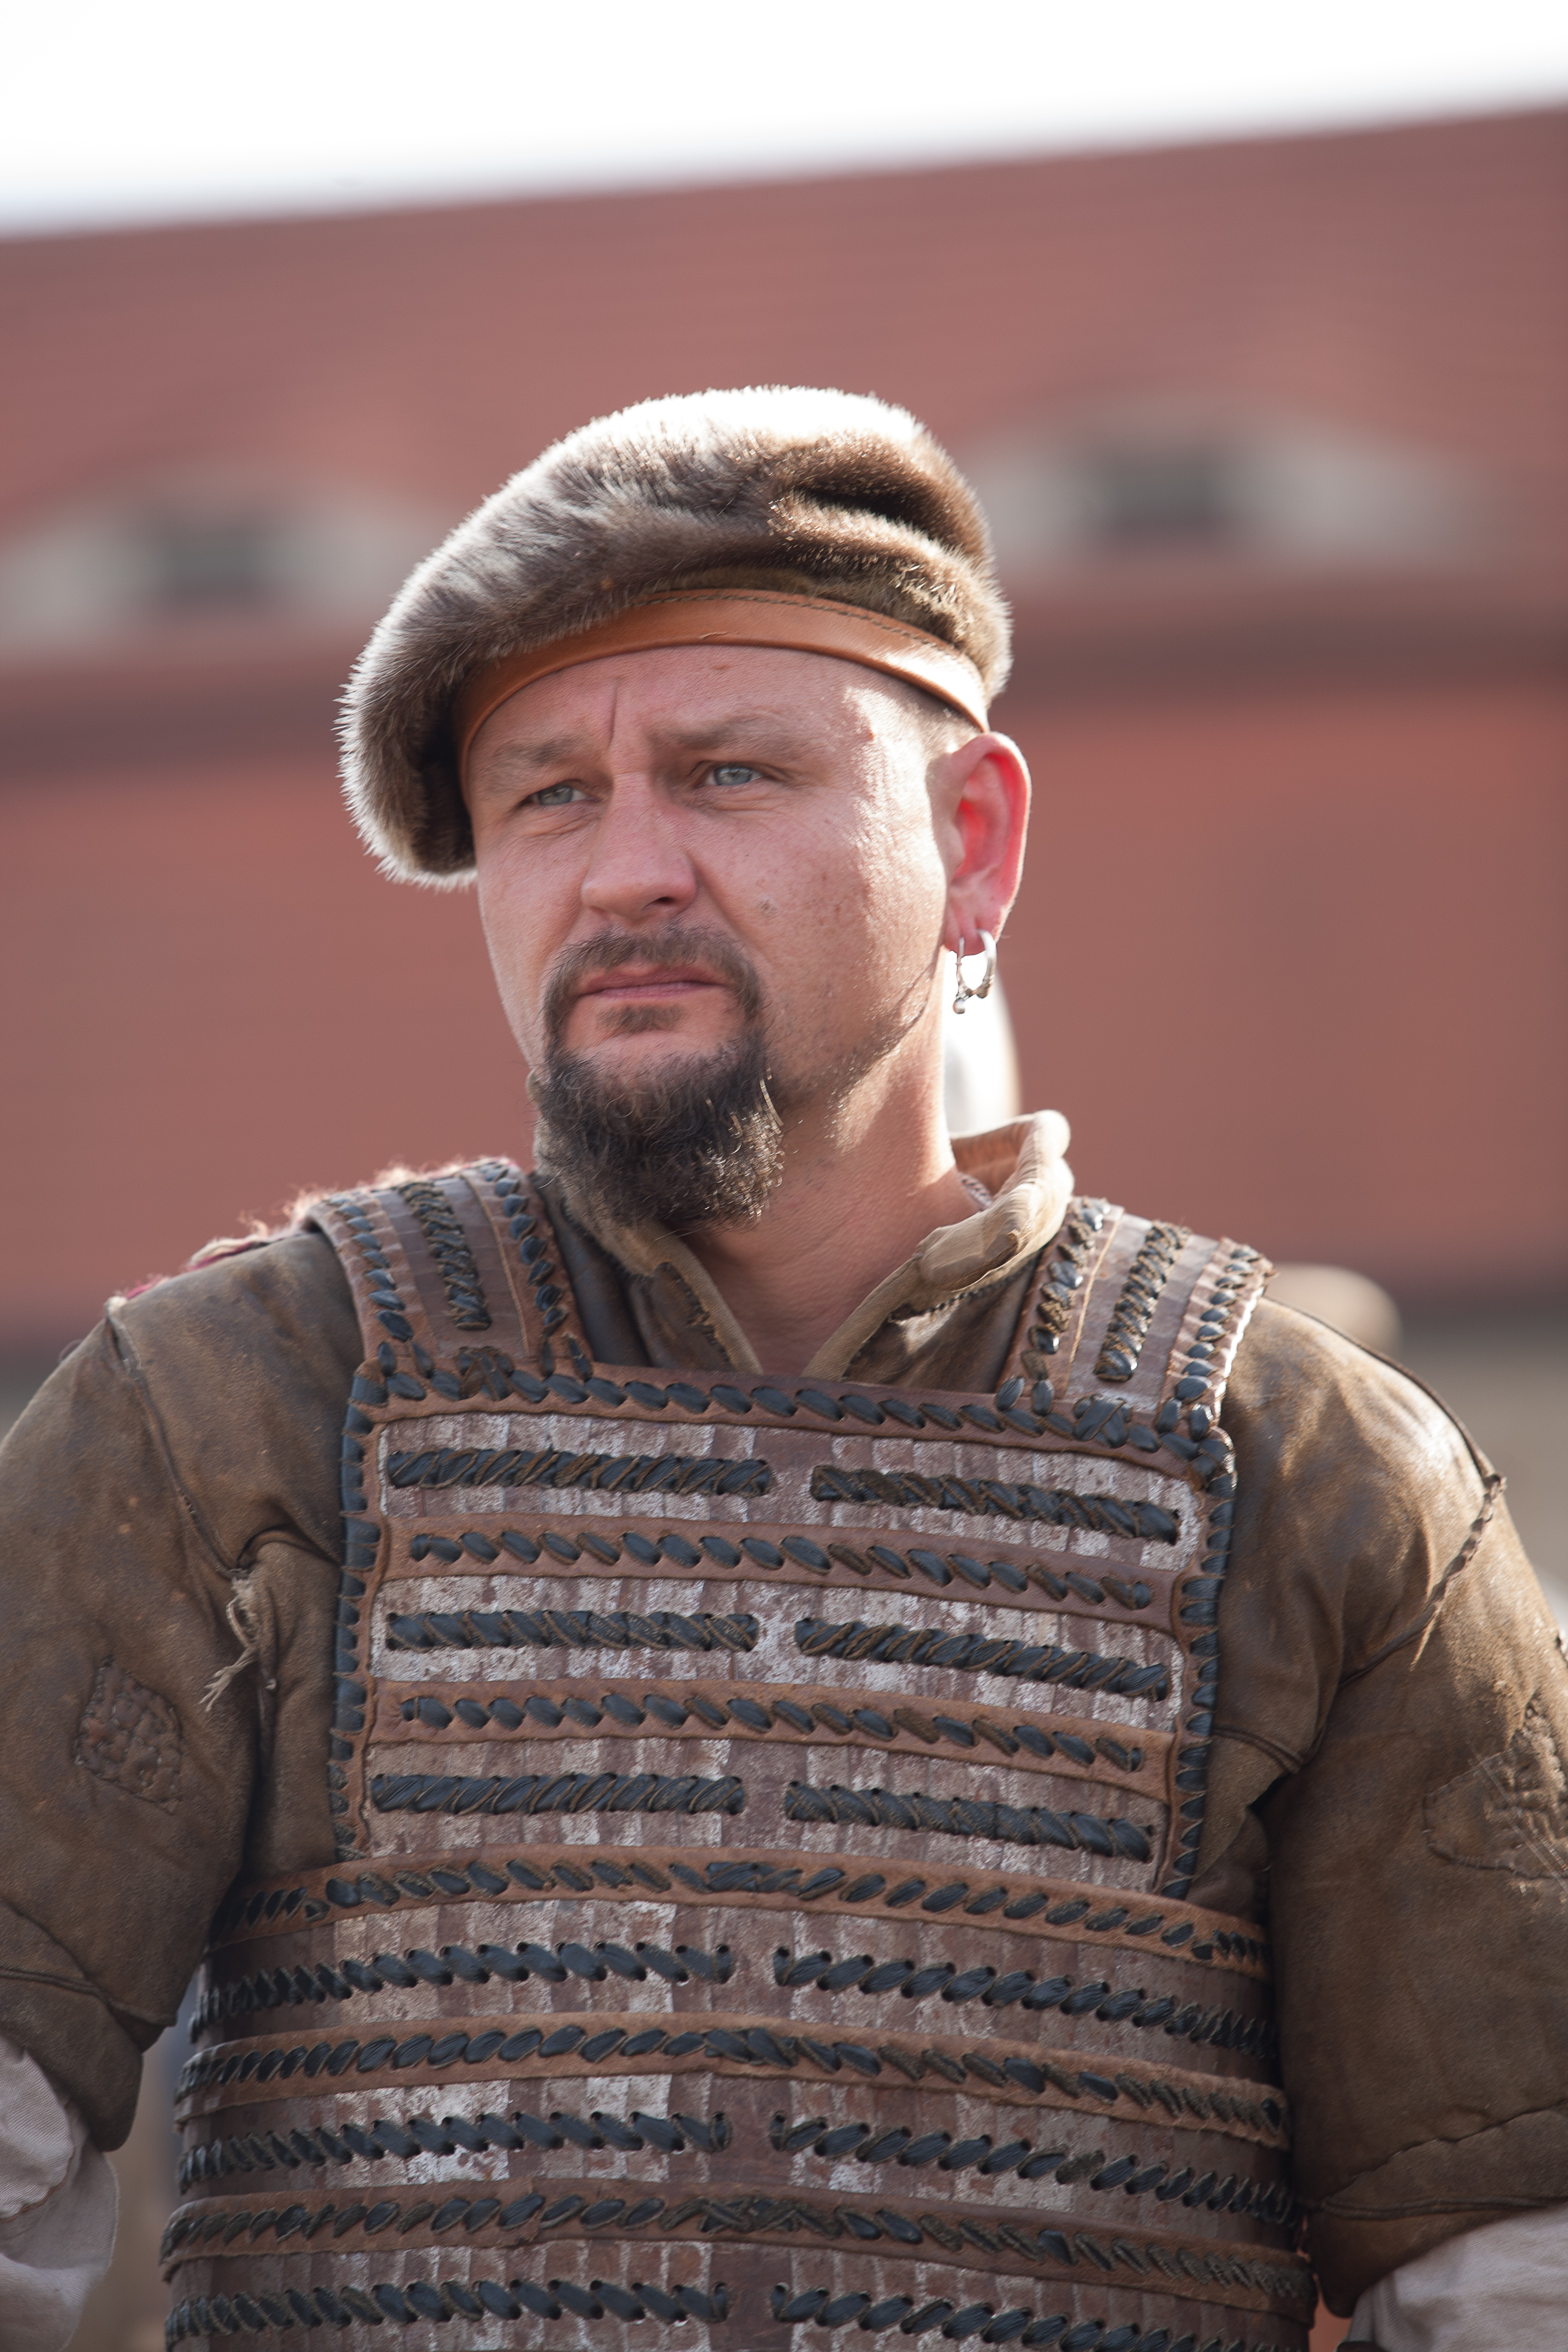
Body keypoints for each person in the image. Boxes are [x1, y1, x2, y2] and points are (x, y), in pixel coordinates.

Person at [0, 389, 1562, 2352]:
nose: (624, 870)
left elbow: (1515, 2264)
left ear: (972, 841)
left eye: (727, 774)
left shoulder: (1323, 1475)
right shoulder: (224, 1412)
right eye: (548, 795)